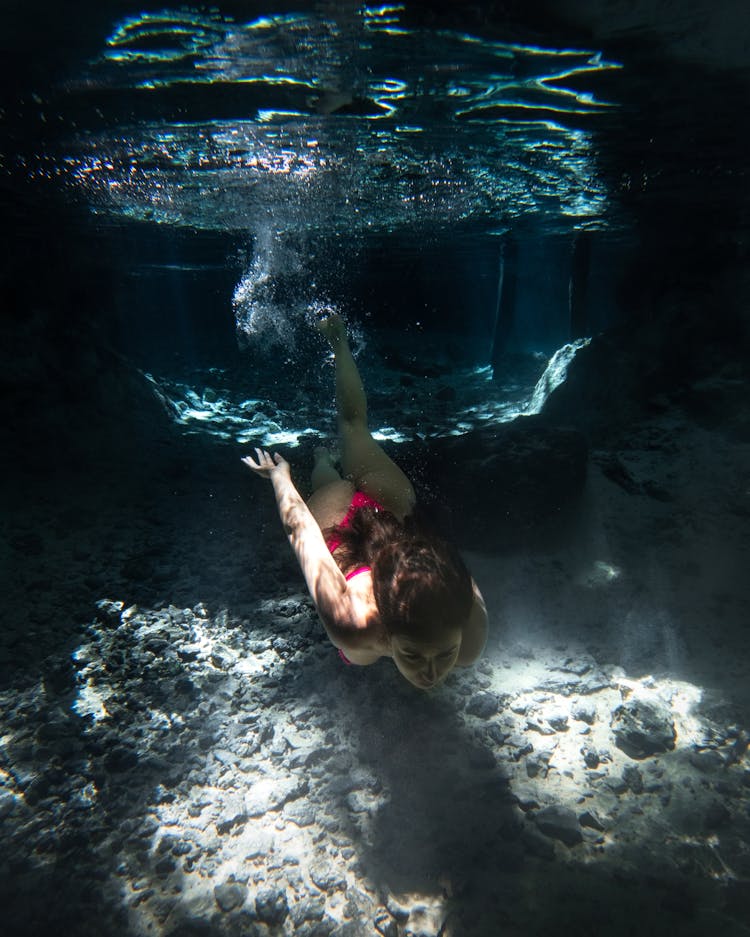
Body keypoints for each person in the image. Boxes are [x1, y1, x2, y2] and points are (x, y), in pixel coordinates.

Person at [243, 313, 487, 689]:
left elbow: (447, 563)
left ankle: (338, 354)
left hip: (391, 519)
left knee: (348, 444)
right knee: (343, 456)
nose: (431, 673)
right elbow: (300, 530)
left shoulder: (469, 631)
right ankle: (337, 352)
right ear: (386, 630)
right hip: (355, 525)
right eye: (413, 655)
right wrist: (280, 478)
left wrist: (282, 480)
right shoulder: (353, 625)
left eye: (445, 654)